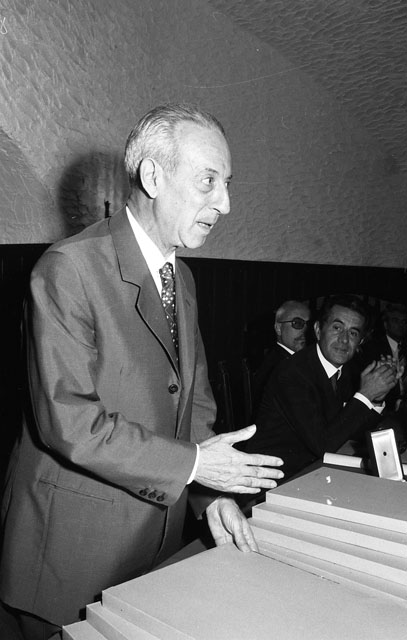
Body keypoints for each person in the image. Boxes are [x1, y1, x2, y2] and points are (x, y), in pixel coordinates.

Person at [0, 103, 284, 639]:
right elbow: (70, 424)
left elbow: (193, 405)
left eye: (227, 184)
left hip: (153, 547)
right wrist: (197, 466)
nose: (225, 203)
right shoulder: (68, 269)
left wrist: (210, 496)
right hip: (70, 558)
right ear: (153, 177)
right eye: (209, 181)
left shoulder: (183, 278)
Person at [246, 294, 399, 481]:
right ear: (318, 330)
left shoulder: (346, 370)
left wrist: (376, 397)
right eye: (337, 328)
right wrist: (366, 393)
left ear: (360, 342)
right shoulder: (293, 373)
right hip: (273, 479)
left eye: (353, 333)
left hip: (314, 471)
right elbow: (323, 444)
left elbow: (352, 431)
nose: (344, 340)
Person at [252, 300, 310, 412]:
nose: (304, 330)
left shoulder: (297, 360)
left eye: (308, 324)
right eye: (297, 323)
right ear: (278, 328)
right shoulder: (278, 366)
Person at [358, 303, 407, 411]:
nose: (401, 325)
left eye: (404, 321)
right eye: (395, 320)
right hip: (383, 406)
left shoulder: (404, 348)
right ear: (386, 324)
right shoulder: (371, 348)